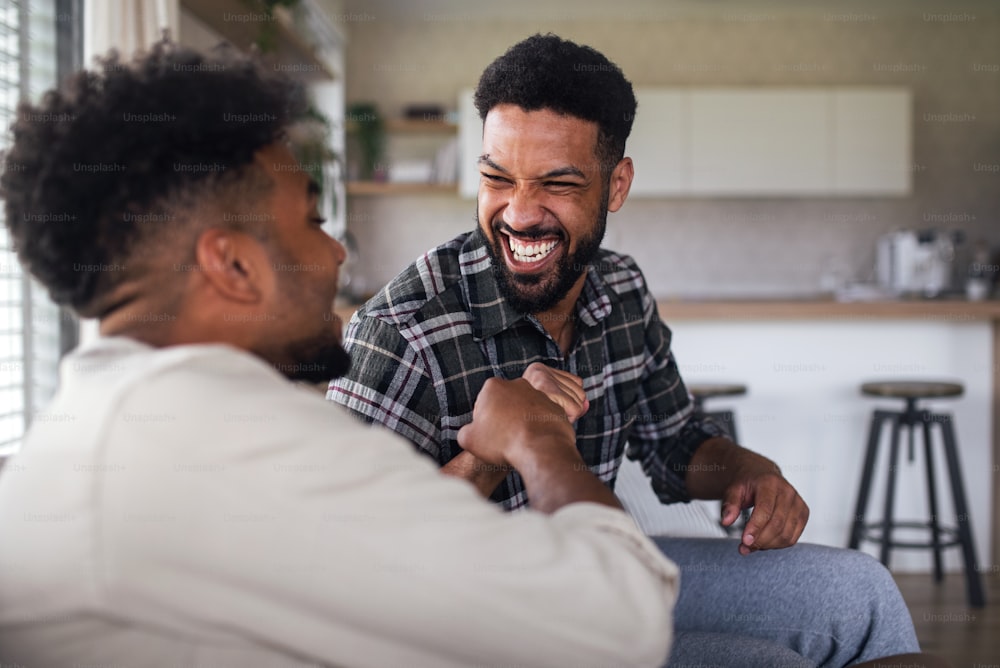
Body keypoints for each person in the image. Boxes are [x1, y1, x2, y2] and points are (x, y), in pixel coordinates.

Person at [0, 41, 681, 667]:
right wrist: (537, 440)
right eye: (311, 221)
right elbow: (623, 625)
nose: (336, 253)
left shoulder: (131, 416)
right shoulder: (230, 448)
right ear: (233, 265)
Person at [329, 33, 923, 667]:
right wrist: (488, 456)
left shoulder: (621, 289)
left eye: (556, 184)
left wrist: (749, 470)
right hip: (475, 626)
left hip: (599, 576)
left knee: (859, 593)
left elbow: (674, 443)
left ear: (616, 186)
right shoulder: (403, 329)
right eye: (496, 178)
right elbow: (341, 561)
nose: (519, 214)